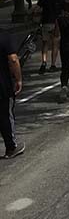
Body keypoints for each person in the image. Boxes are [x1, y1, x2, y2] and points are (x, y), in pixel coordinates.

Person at [0, 30, 24, 158]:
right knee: (5, 115)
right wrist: (19, 79)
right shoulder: (4, 37)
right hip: (2, 85)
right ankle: (11, 147)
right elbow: (13, 59)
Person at [34, 0, 64, 74]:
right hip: (57, 23)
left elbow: (36, 9)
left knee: (45, 44)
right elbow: (63, 11)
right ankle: (53, 65)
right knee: (55, 44)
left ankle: (44, 63)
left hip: (46, 22)